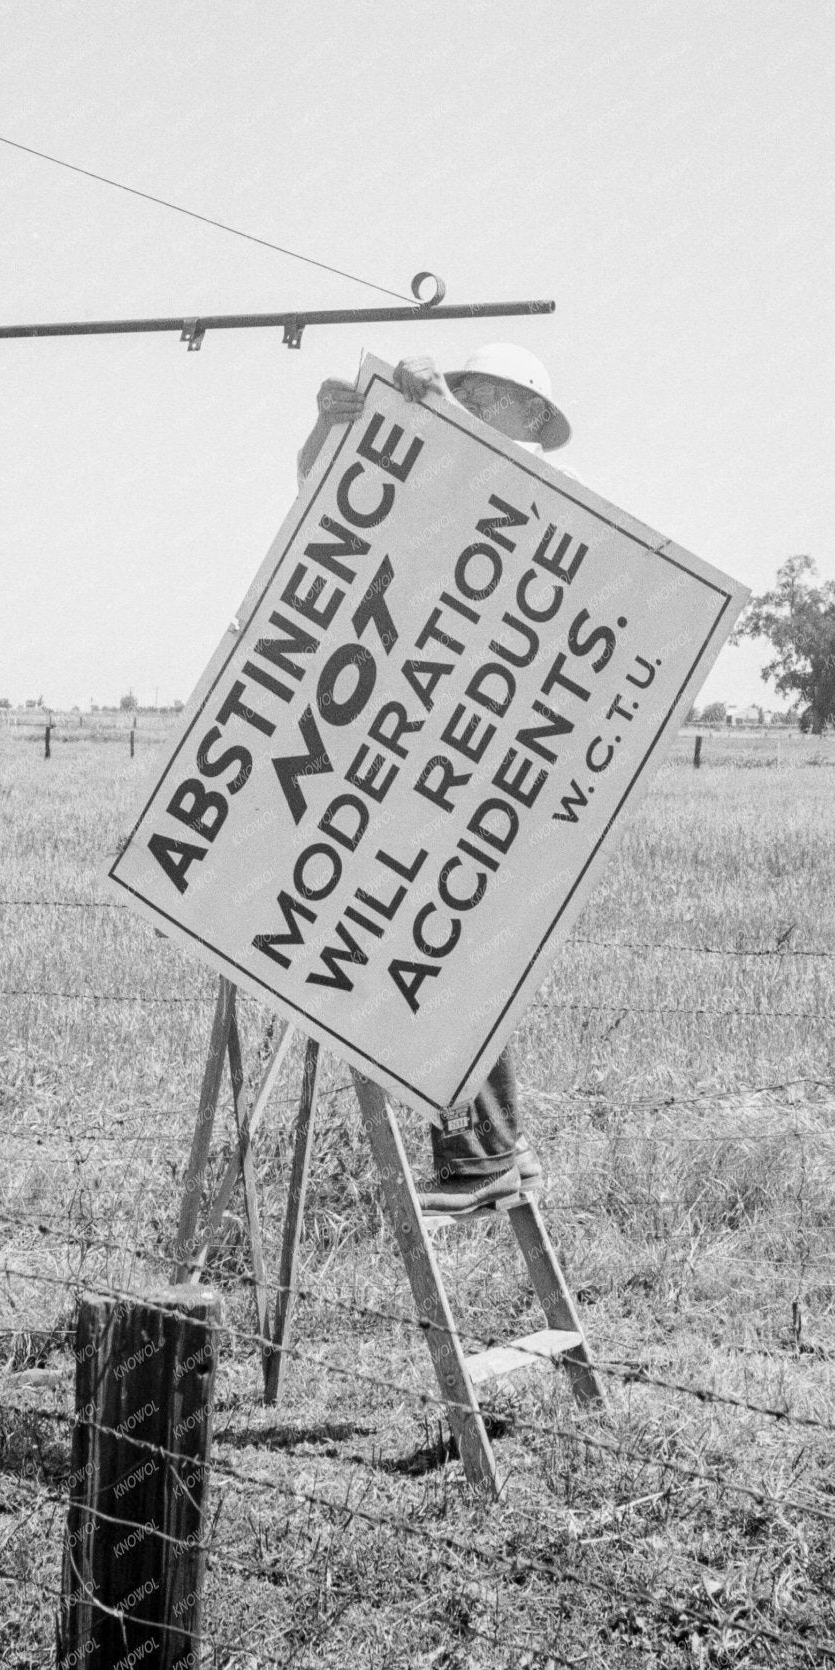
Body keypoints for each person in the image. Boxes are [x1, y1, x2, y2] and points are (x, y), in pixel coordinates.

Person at [297, 342, 573, 1214]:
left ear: (529, 419)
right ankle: (492, 1146)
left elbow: (490, 486)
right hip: (414, 732)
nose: (482, 404)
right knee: (428, 945)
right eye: (474, 390)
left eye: (499, 397)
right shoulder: (442, 462)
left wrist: (433, 407)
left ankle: (481, 1150)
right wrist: (330, 427)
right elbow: (327, 514)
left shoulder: (529, 492)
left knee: (432, 949)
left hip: (467, 753)